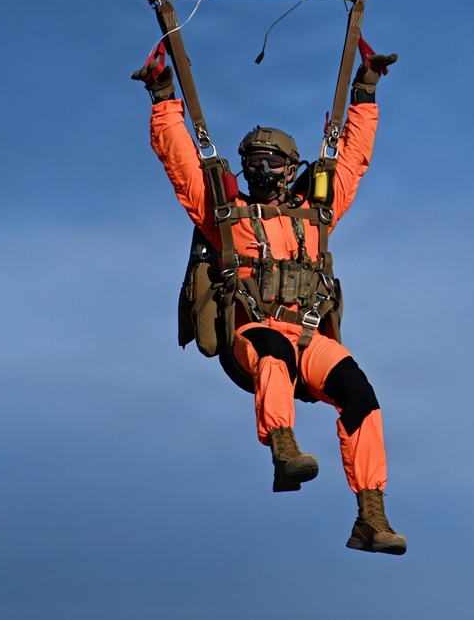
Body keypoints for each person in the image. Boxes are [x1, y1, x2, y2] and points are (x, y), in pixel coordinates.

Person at [133, 48, 407, 555]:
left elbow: (352, 158)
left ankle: (371, 515)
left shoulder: (315, 214)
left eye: (271, 162)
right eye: (252, 163)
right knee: (273, 355)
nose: (260, 171)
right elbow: (180, 162)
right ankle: (284, 448)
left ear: (289, 169)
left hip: (307, 338)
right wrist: (163, 95)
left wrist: (364, 92)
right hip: (253, 338)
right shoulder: (225, 217)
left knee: (360, 393)